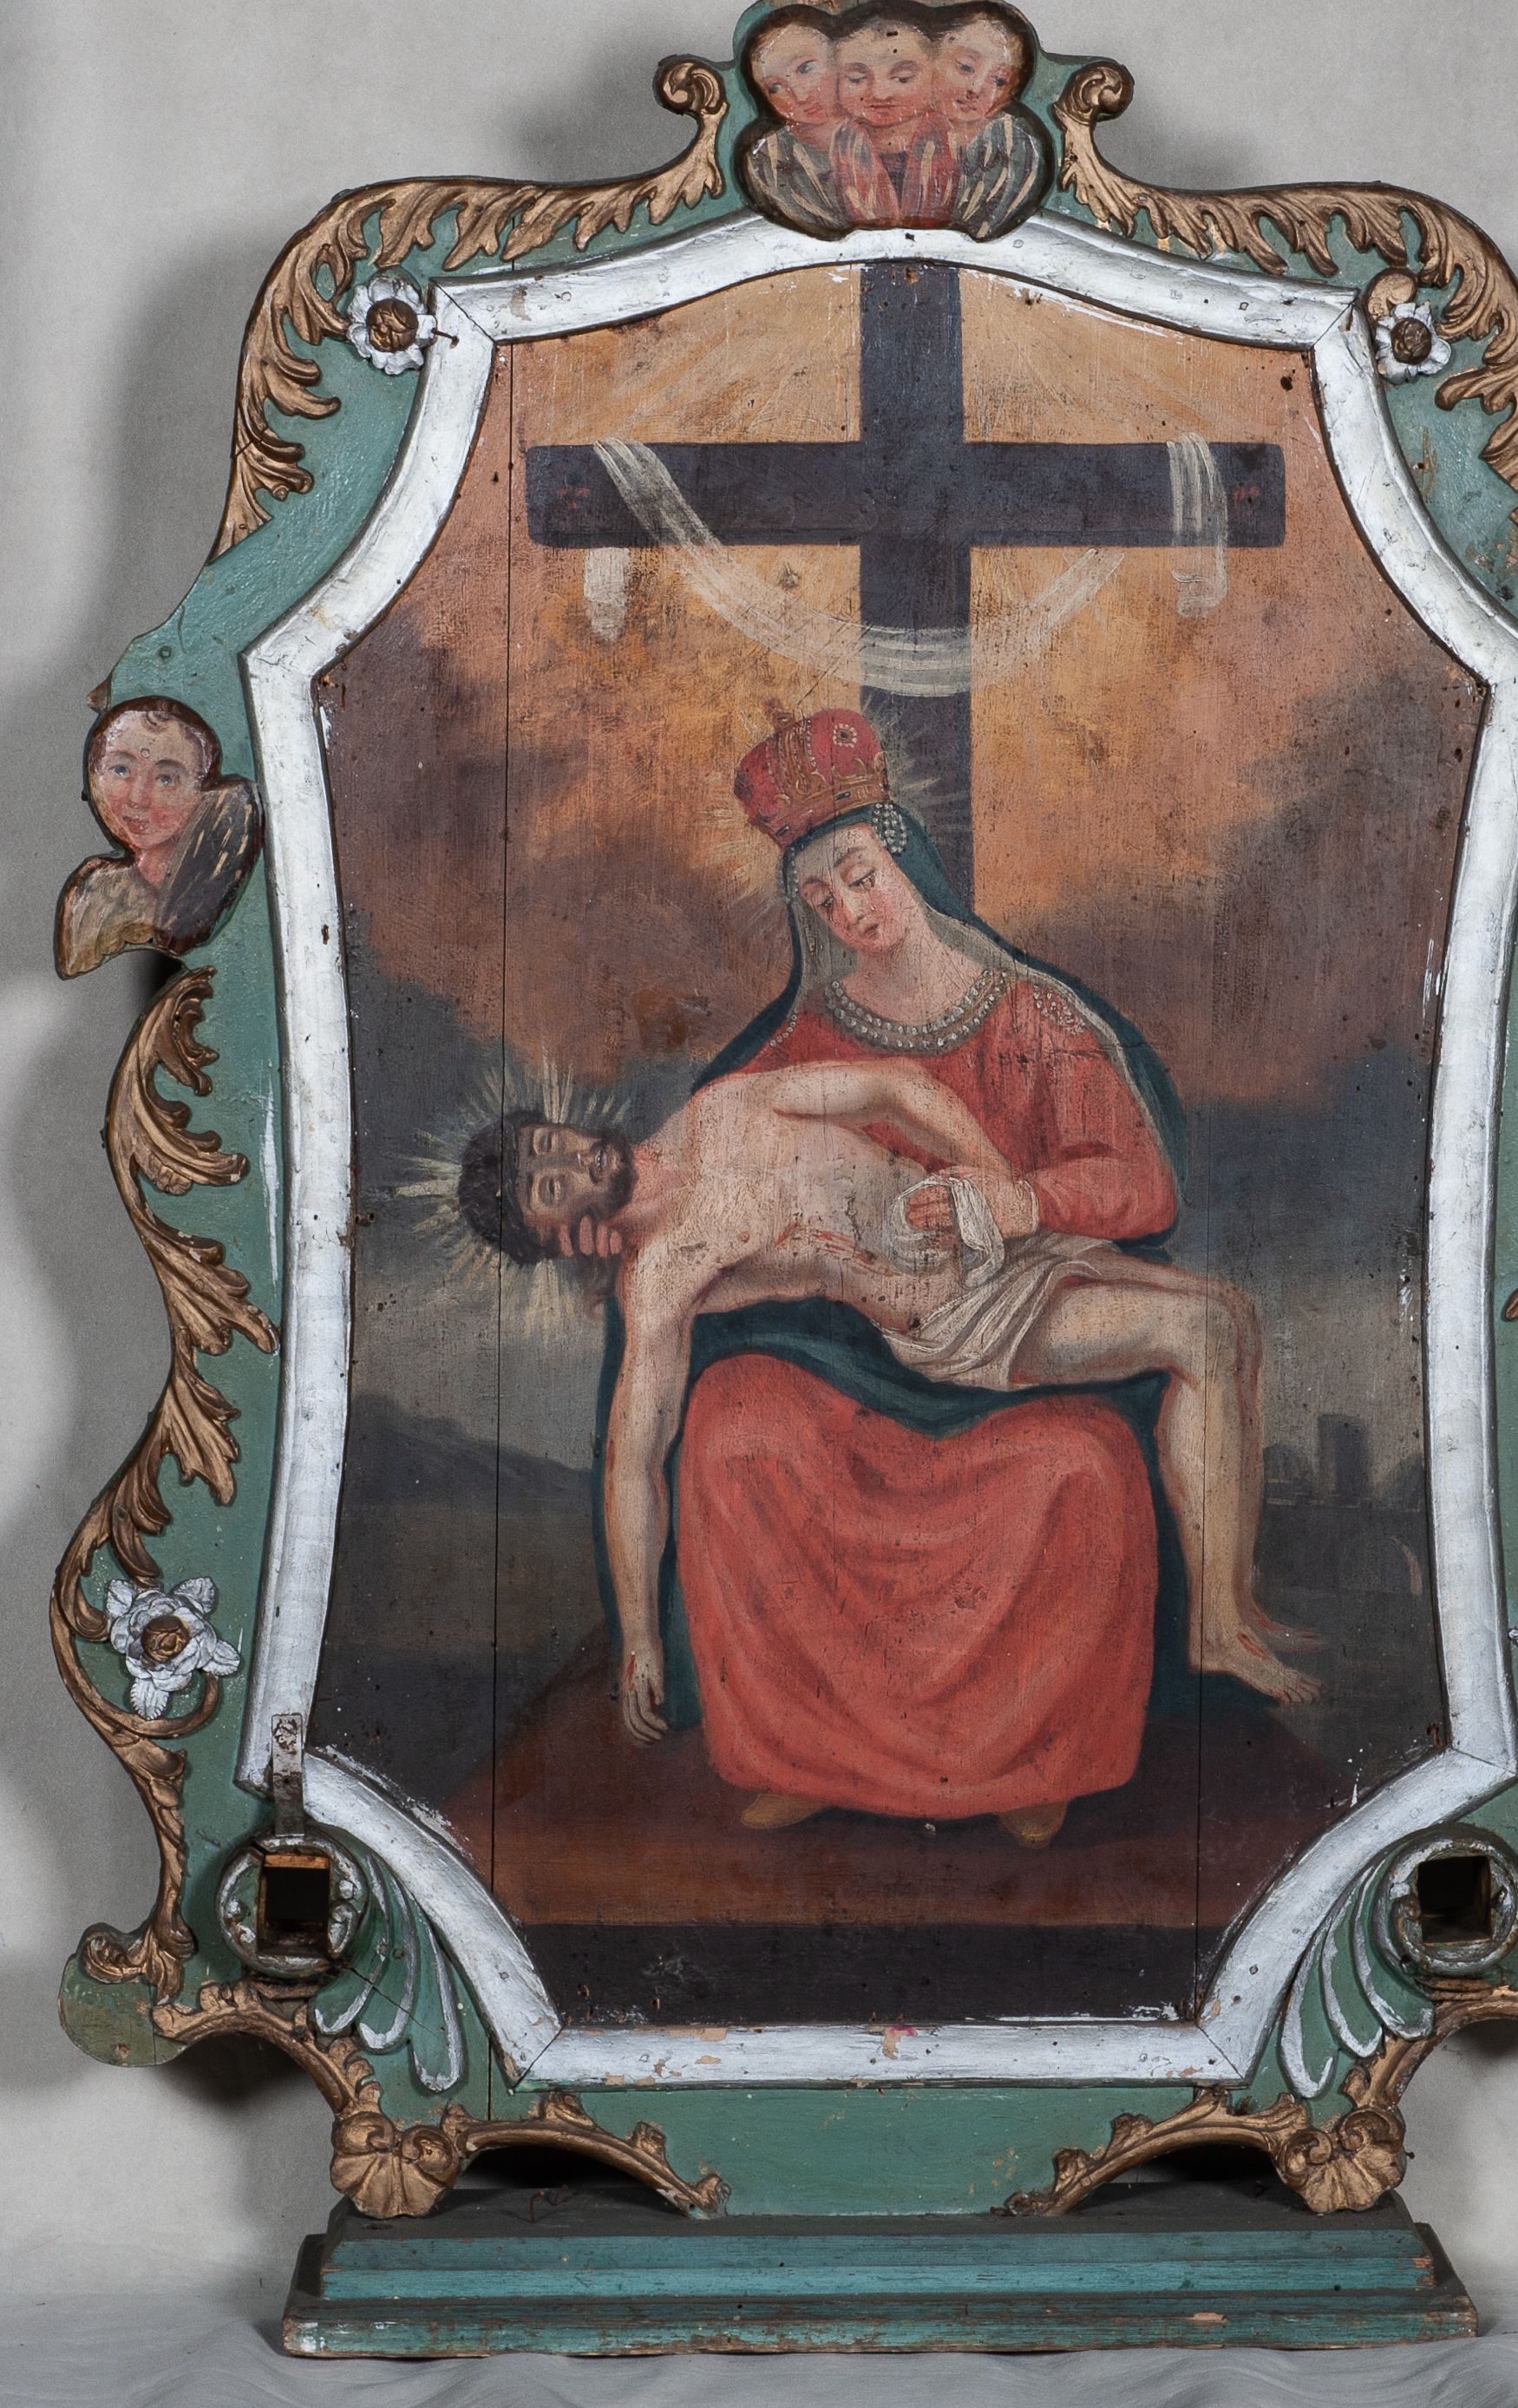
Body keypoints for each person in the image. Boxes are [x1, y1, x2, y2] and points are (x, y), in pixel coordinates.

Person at [461, 1011, 1310, 1837]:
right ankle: (1214, 1629)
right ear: (562, 1237)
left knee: (1233, 1318)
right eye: (550, 1187)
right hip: (964, 1317)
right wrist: (641, 1637)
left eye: (551, 1145)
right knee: (1203, 1333)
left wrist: (994, 1186)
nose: (570, 1160)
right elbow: (632, 1461)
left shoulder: (722, 1109)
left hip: (1001, 1243)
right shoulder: (661, 1276)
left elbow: (898, 1086)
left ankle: (1226, 1609)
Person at [56, 697, 261, 978]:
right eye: (121, 770)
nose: (137, 798)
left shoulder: (208, 885)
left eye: (166, 779)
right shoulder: (93, 892)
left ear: (202, 792)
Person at [828, 16, 959, 227]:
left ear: (935, 75)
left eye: (903, 78)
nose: (880, 94)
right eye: (856, 78)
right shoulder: (834, 147)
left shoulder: (958, 144)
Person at [932, 11, 1047, 239]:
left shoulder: (1012, 146)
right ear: (933, 59)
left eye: (999, 81)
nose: (975, 89)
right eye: (965, 67)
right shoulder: (902, 127)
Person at [740, 19, 849, 238]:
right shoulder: (768, 160)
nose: (800, 96)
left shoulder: (887, 133)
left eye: (805, 68)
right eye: (775, 87)